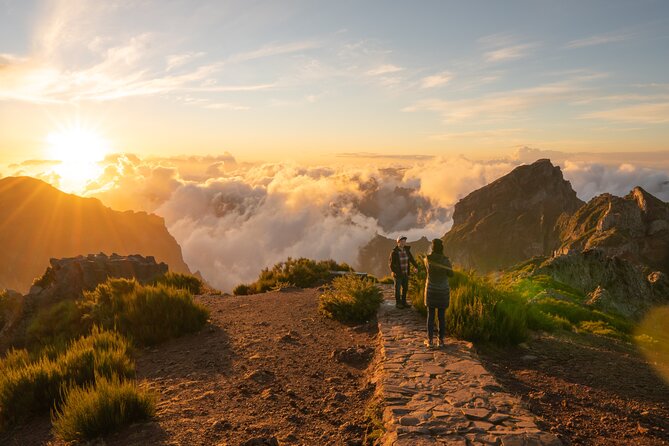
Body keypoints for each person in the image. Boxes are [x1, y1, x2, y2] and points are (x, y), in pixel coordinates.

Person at [423, 238, 453, 348]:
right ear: (442, 248)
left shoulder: (427, 259)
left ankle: (430, 341)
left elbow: (427, 270)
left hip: (431, 290)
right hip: (443, 291)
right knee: (441, 317)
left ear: (433, 247)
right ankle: (441, 341)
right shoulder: (446, 260)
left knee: (430, 316)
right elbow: (451, 274)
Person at [389, 235, 419, 309]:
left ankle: (404, 302)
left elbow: (411, 259)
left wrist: (416, 266)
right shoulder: (394, 252)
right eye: (401, 241)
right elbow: (391, 264)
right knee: (398, 289)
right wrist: (394, 272)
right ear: (398, 242)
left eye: (404, 241)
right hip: (398, 274)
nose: (403, 243)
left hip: (405, 273)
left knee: (405, 288)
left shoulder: (407, 250)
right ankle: (398, 303)